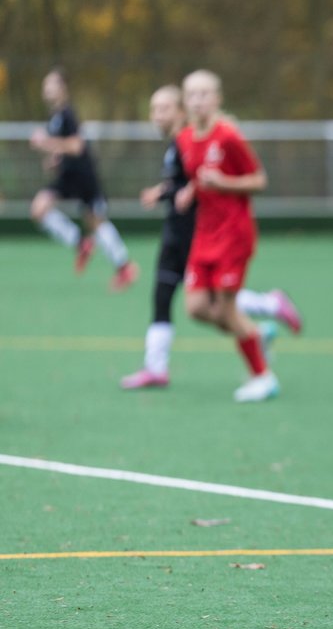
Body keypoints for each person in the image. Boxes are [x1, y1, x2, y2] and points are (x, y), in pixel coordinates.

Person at [120, 85, 303, 391]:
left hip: (209, 232)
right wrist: (168, 191)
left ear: (182, 112)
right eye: (153, 109)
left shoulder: (217, 137)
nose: (156, 116)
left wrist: (205, 187)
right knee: (190, 304)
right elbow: (190, 179)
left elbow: (249, 178)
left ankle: (263, 336)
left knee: (221, 302)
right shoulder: (182, 142)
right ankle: (158, 366)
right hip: (180, 234)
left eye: (163, 109)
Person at [174, 69, 279, 403]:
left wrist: (224, 183)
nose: (198, 100)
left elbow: (259, 180)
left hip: (234, 233)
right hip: (205, 233)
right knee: (197, 308)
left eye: (205, 94)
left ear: (217, 99)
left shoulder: (229, 137)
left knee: (227, 310)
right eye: (192, 95)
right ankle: (256, 334)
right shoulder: (185, 138)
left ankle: (263, 376)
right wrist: (190, 191)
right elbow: (198, 175)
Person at [28, 67, 137, 290]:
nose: (47, 90)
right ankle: (80, 243)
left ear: (63, 88)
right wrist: (56, 158)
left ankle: (124, 267)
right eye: (45, 86)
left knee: (95, 221)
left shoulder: (68, 113)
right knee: (39, 209)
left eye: (51, 85)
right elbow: (65, 146)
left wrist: (46, 143)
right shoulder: (55, 117)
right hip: (68, 175)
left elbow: (77, 146)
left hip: (83, 175)